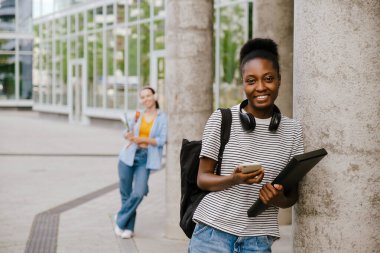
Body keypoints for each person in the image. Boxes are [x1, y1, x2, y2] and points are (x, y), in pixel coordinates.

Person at [188, 38, 304, 252]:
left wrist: (278, 198)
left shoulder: (293, 130)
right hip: (212, 235)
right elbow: (202, 179)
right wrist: (234, 179)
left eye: (268, 78)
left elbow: (292, 195)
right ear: (243, 83)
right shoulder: (222, 119)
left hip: (258, 241)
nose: (260, 87)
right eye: (251, 81)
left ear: (279, 80)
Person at [115, 86, 167, 239]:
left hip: (145, 158)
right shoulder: (138, 114)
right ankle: (128, 228)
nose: (146, 99)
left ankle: (119, 218)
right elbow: (126, 131)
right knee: (125, 194)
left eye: (148, 95)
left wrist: (142, 139)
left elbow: (162, 140)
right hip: (128, 156)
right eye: (143, 97)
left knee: (138, 192)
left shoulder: (162, 117)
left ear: (154, 96)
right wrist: (128, 135)